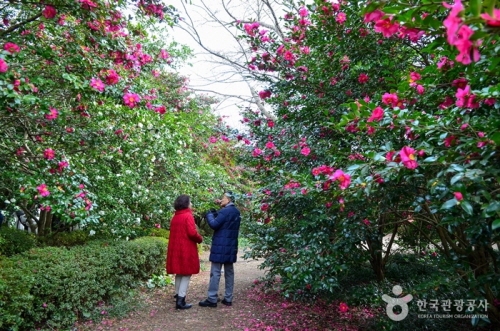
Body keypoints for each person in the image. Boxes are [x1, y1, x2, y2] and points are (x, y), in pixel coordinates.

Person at [199, 191, 241, 308]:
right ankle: (228, 298)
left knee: (215, 272)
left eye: (222, 198)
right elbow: (224, 222)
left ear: (228, 200)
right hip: (231, 245)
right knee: (229, 273)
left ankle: (212, 298)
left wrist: (209, 213)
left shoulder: (225, 211)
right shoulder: (236, 212)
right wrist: (216, 210)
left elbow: (214, 224)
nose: (220, 200)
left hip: (220, 245)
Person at [166, 194, 203, 310]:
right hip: (186, 248)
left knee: (180, 272)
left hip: (176, 248)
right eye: (190, 202)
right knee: (186, 273)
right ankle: (181, 300)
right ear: (186, 204)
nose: (191, 204)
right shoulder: (188, 216)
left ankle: (177, 294)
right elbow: (192, 232)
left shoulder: (175, 217)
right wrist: (200, 238)